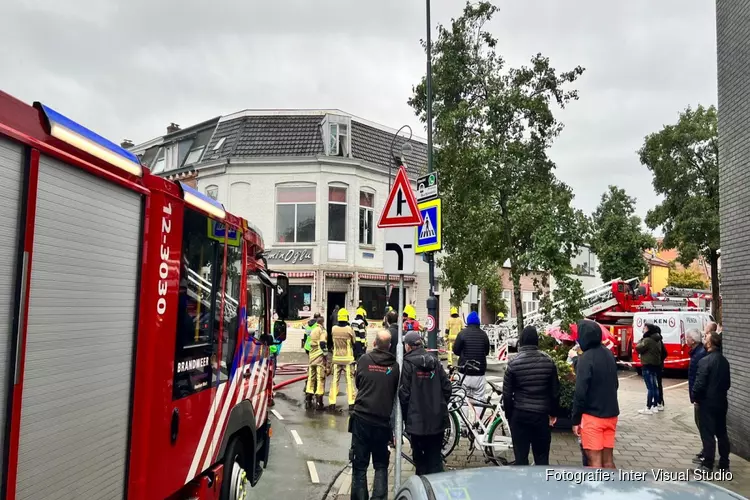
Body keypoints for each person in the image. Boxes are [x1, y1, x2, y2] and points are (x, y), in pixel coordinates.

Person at [349, 330, 400, 500]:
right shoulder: (394, 367)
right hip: (382, 422)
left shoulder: (364, 360)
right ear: (390, 346)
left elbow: (358, 383)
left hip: (362, 419)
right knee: (381, 465)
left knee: (360, 466)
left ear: (374, 344)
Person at [502, 325, 560, 466]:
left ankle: (523, 485)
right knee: (541, 457)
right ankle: (540, 486)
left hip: (520, 415)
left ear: (521, 341)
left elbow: (507, 394)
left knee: (521, 458)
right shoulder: (548, 361)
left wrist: (510, 415)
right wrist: (553, 413)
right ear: (536, 341)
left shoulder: (513, 363)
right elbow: (555, 391)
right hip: (541, 416)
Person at [399, 331, 451, 476]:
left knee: (420, 461)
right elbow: (447, 388)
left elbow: (404, 394)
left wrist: (406, 416)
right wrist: (439, 405)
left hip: (417, 422)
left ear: (408, 347)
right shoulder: (435, 361)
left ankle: (423, 491)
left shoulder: (408, 364)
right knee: (435, 458)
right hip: (437, 420)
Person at [571, 319, 620, 469]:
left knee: (594, 463)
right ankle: (614, 489)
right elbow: (615, 384)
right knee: (608, 461)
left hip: (593, 417)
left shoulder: (586, 357)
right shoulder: (608, 354)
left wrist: (575, 419)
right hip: (611, 415)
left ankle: (596, 491)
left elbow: (580, 392)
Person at [693, 330, 731, 471]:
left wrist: (696, 397)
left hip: (707, 402)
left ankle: (707, 463)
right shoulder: (724, 361)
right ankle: (724, 463)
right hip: (721, 401)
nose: (704, 340)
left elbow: (699, 384)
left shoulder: (704, 361)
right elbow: (727, 383)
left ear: (709, 343)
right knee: (722, 432)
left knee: (707, 433)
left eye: (706, 338)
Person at [452, 311, 490, 410]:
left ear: (468, 322)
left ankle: (464, 425)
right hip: (479, 373)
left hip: (465, 373)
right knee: (479, 400)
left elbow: (456, 351)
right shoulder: (484, 335)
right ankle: (477, 423)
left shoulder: (462, 334)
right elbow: (486, 352)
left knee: (463, 399)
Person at [686, 328, 708, 464]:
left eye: (687, 338)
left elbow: (698, 378)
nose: (686, 340)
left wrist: (696, 397)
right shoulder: (697, 352)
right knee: (700, 424)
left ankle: (706, 452)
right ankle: (705, 450)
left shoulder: (699, 355)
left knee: (702, 424)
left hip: (700, 397)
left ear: (692, 340)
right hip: (698, 396)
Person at [328, 308, 357, 412]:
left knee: (334, 381)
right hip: (348, 360)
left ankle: (332, 402)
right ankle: (351, 403)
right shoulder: (349, 329)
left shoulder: (333, 329)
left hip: (336, 359)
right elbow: (354, 342)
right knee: (349, 381)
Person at [635, 323, 663, 415]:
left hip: (647, 365)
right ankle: (655, 405)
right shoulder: (658, 340)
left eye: (644, 328)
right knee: (655, 386)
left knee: (650, 387)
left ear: (648, 329)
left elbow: (638, 347)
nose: (643, 329)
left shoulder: (647, 340)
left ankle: (648, 407)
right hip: (655, 365)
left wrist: (641, 340)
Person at [305, 315, 327, 410]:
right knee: (320, 377)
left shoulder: (313, 330)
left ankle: (308, 399)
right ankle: (319, 402)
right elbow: (322, 343)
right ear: (322, 322)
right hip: (319, 358)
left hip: (311, 356)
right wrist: (325, 354)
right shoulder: (322, 331)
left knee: (311, 377)